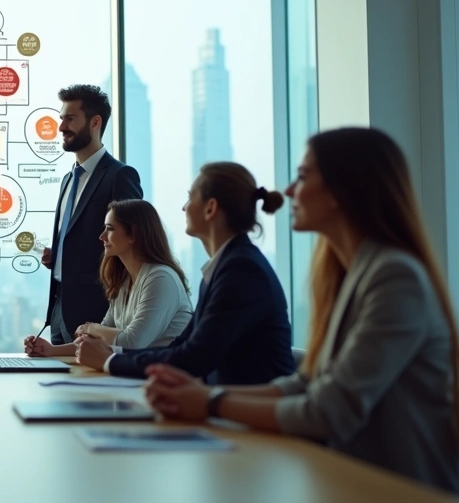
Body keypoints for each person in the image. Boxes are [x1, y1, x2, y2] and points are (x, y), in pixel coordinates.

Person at [143, 128, 459, 496]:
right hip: (344, 476)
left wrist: (210, 401)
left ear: (342, 189)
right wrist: (200, 395)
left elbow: (329, 410)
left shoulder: (395, 277)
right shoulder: (349, 273)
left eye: (302, 176)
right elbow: (306, 384)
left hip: (396, 488)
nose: (287, 191)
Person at [78, 162, 295, 385]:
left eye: (190, 198)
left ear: (210, 208)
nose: (184, 207)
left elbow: (193, 358)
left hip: (250, 412)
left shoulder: (242, 271)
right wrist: (110, 358)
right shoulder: (226, 266)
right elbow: (180, 347)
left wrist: (110, 361)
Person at [38, 84, 142, 346]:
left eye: (70, 119)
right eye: (61, 119)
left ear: (95, 122)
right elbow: (79, 237)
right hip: (59, 309)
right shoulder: (66, 180)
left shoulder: (120, 176)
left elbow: (133, 242)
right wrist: (60, 254)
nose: (61, 127)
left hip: (97, 309)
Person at [26, 199, 191, 356]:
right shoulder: (125, 280)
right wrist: (50, 351)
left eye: (110, 228)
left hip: (165, 379)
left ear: (132, 235)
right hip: (137, 372)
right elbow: (97, 341)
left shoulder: (161, 278)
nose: (102, 236)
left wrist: (91, 328)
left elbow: (133, 342)